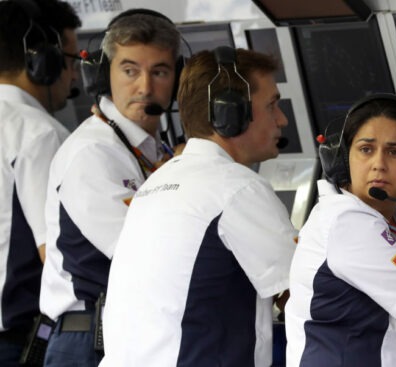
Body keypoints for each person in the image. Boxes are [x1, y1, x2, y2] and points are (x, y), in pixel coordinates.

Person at [99, 47, 297, 366]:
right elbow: (308, 297)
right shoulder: (237, 187)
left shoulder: (155, 185)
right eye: (272, 105)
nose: (282, 119)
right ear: (230, 114)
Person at [39, 9, 180, 366]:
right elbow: (143, 256)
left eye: (159, 72)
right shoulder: (93, 153)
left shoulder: (154, 149)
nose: (145, 86)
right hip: (88, 340)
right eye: (130, 70)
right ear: (103, 75)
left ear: (177, 79)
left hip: (126, 333)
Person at [286, 94, 396, 367]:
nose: (379, 164)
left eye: (395, 152)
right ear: (343, 159)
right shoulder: (345, 221)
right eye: (366, 149)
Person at [0, 0, 80, 365]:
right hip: (15, 337)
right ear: (43, 60)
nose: (75, 74)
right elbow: (56, 251)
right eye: (71, 58)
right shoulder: (38, 134)